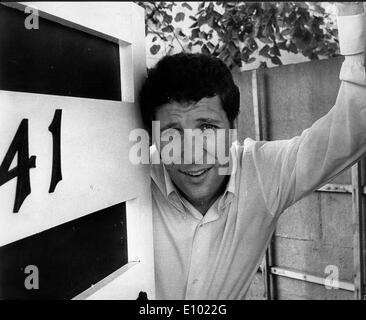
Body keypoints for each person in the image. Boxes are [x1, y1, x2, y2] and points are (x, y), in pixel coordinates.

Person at [138, 2, 366, 299]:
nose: (191, 154)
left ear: (233, 126)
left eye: (207, 127)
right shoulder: (134, 182)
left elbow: (352, 127)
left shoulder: (263, 172)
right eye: (172, 133)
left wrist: (351, 10)